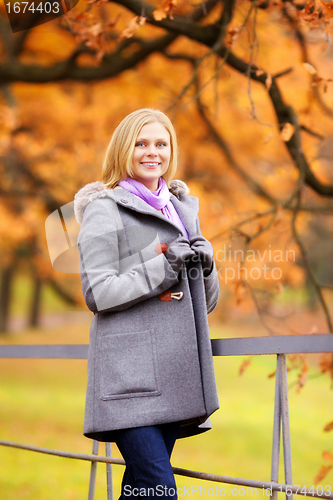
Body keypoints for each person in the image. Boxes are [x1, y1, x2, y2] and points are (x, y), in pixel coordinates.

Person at [74, 108, 220, 500]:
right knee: (161, 491)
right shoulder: (105, 209)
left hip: (176, 375)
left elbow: (203, 306)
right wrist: (163, 265)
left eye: (161, 143)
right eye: (141, 143)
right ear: (124, 149)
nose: (151, 152)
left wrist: (206, 268)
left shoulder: (183, 210)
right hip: (129, 382)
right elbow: (98, 293)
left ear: (172, 150)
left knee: (140, 491)